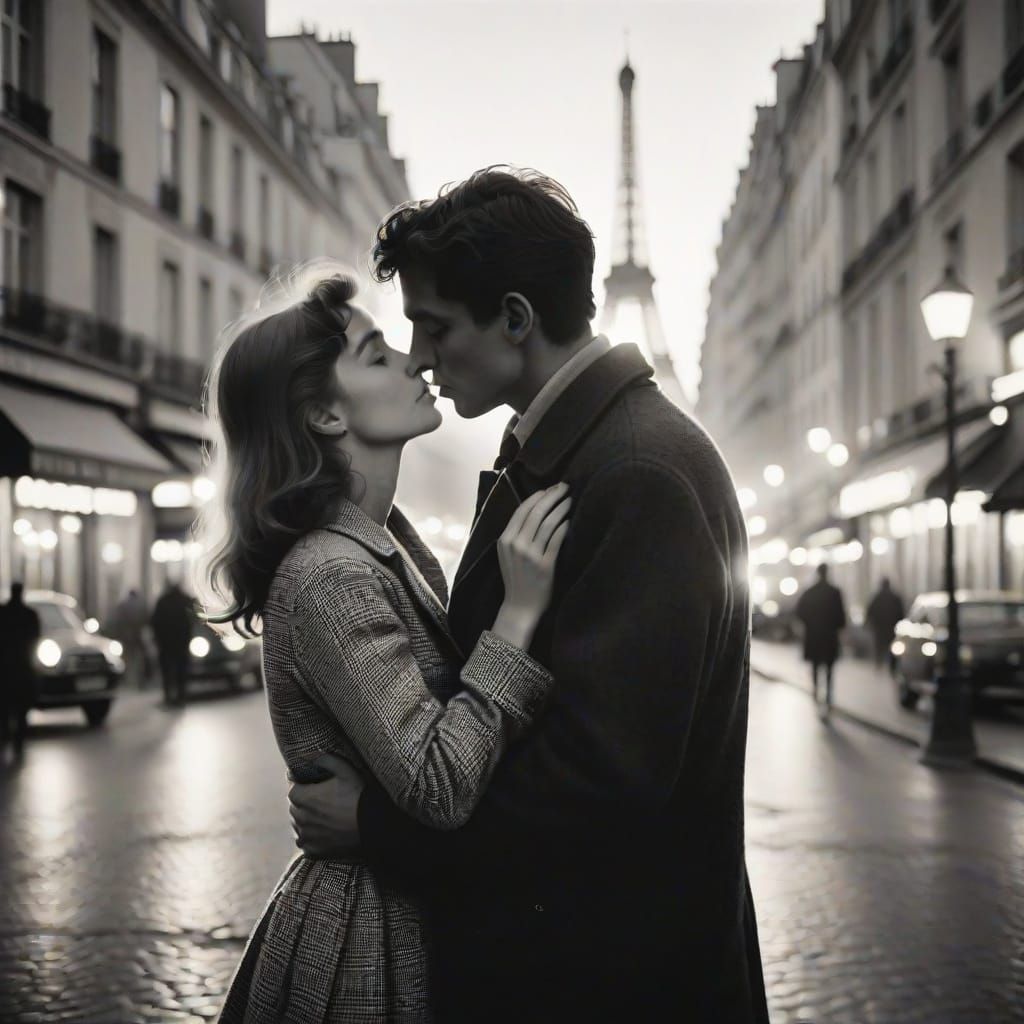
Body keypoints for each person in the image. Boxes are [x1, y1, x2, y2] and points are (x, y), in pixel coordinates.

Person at [288, 168, 769, 1022]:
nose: (422, 357)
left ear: (515, 317)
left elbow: (598, 786)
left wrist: (377, 830)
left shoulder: (633, 471)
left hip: (610, 982)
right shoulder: (578, 448)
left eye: (434, 327)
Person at [205, 268, 570, 1021]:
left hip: (392, 908)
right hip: (367, 942)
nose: (415, 360)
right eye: (377, 355)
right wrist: (519, 616)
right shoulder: (331, 575)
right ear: (325, 416)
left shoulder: (380, 549)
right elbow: (437, 782)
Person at [796, 563, 848, 718]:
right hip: (830, 636)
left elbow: (799, 612)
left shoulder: (810, 592)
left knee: (815, 665)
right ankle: (828, 696)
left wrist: (809, 624)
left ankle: (815, 691)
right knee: (830, 667)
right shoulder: (835, 592)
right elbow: (841, 616)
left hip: (814, 636)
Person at [0, 582, 41, 760]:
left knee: (5, 707)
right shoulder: (29, 615)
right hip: (22, 667)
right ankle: (18, 741)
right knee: (21, 707)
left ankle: (6, 737)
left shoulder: (3, 613)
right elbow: (35, 637)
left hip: (6, 668)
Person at [150, 580, 193, 706]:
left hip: (166, 644)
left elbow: (154, 622)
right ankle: (181, 695)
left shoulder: (162, 601)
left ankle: (168, 696)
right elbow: (193, 620)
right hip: (181, 642)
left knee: (167, 672)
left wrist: (158, 639)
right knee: (181, 671)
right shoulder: (185, 601)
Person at [109, 588, 149, 688]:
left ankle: (128, 680)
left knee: (127, 657)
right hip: (138, 635)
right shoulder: (141, 605)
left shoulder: (123, 605)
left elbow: (118, 620)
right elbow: (147, 619)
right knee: (139, 658)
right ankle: (140, 680)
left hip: (126, 636)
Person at [866, 577, 905, 673]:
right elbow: (901, 613)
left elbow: (870, 612)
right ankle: (892, 667)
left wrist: (871, 623)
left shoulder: (877, 597)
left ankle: (879, 664)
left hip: (880, 628)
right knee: (892, 647)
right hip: (891, 628)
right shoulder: (894, 597)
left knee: (880, 647)